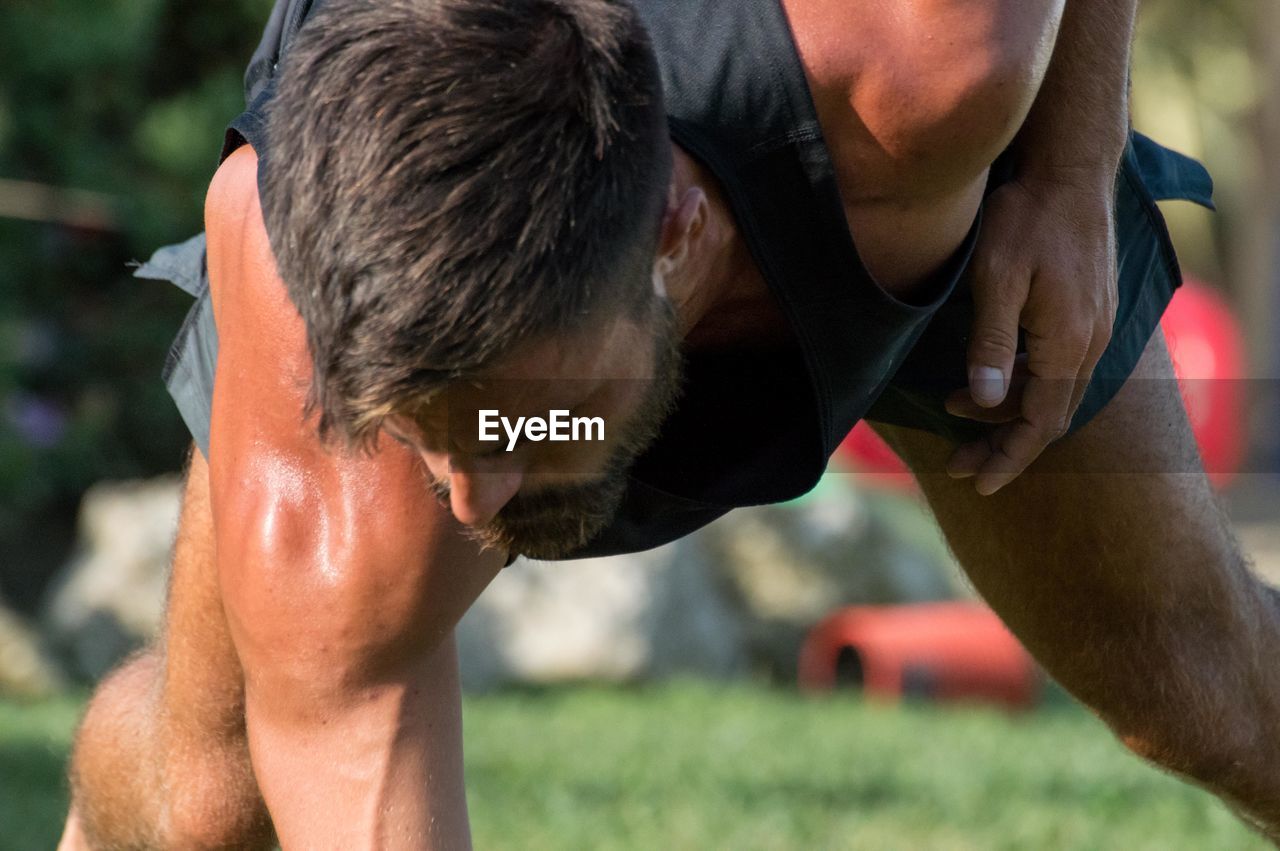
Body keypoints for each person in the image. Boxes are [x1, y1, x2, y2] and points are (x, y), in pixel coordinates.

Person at [60, 0, 1280, 847]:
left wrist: (1070, 168)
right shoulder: (302, 269)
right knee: (208, 802)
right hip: (451, 219)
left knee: (1202, 688)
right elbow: (353, 737)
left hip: (923, 192)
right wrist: (470, 417)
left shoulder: (925, 58)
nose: (472, 497)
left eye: (513, 421)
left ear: (674, 236)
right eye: (427, 431)